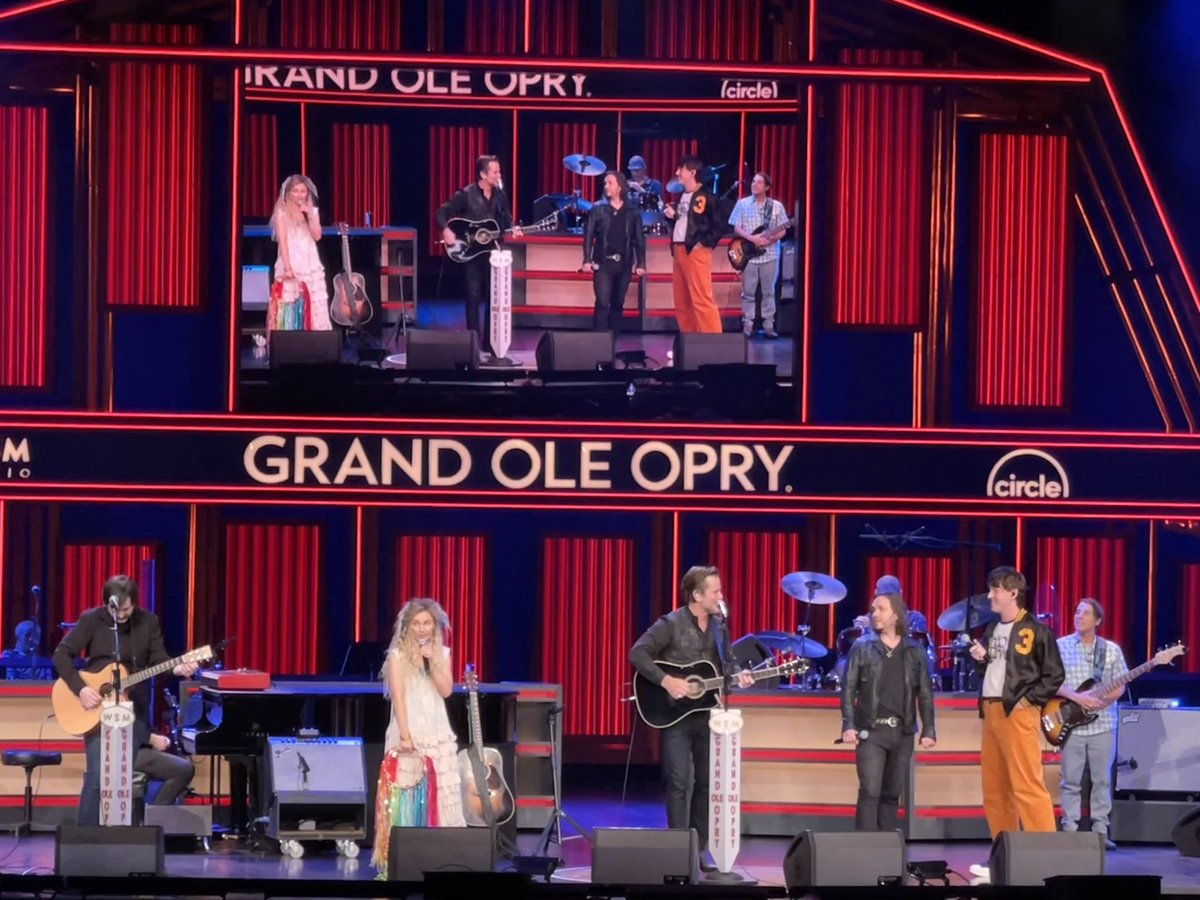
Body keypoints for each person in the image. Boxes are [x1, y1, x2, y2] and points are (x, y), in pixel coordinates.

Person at [629, 565, 754, 871]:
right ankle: (677, 851)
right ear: (697, 595)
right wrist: (666, 681)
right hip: (674, 714)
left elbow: (726, 669)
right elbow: (638, 653)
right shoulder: (670, 623)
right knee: (679, 781)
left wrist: (740, 676)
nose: (721, 596)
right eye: (716, 591)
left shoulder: (719, 627)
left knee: (705, 784)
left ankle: (697, 850)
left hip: (705, 713)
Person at [51, 575, 199, 825]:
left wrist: (177, 669)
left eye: (127, 609)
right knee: (97, 776)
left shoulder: (148, 622)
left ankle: (144, 831)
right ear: (106, 603)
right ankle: (83, 841)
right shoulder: (92, 619)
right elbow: (61, 655)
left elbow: (160, 660)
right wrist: (80, 689)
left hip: (135, 711)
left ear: (135, 603)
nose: (121, 615)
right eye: (116, 610)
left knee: (136, 768)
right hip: (98, 710)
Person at [967, 566, 1064, 884]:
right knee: (995, 789)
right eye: (990, 587)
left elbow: (1054, 675)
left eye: (996, 588)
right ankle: (1003, 853)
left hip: (1018, 713)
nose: (991, 594)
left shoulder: (1036, 630)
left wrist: (1029, 700)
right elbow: (994, 672)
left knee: (1027, 785)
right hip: (992, 711)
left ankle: (1045, 855)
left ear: (1013, 593)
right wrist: (980, 660)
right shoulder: (993, 628)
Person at [372, 598, 465, 872]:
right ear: (407, 626)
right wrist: (405, 736)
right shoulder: (397, 657)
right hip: (409, 733)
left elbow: (447, 691)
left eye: (427, 623)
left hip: (436, 730)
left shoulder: (443, 653)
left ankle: (444, 857)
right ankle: (404, 857)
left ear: (435, 626)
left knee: (442, 793)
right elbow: (398, 699)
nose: (422, 628)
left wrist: (431, 661)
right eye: (416, 623)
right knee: (408, 796)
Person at [841, 589, 936, 831]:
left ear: (896, 615)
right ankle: (865, 850)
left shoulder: (915, 651)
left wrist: (929, 729)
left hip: (902, 732)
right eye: (873, 609)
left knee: (892, 794)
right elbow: (849, 688)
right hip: (871, 730)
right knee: (870, 791)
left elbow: (924, 693)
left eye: (881, 609)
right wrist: (848, 724)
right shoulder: (862, 647)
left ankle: (887, 852)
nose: (875, 614)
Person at [1055, 598, 1127, 850]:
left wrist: (1101, 701)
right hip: (1071, 724)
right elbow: (1052, 682)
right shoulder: (1061, 646)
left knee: (1102, 780)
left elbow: (1120, 686)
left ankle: (1099, 830)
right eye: (1076, 612)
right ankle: (1070, 828)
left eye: (1085, 613)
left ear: (1097, 620)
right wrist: (1077, 698)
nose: (1079, 616)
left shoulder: (1111, 650)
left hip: (1104, 724)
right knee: (1070, 779)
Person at [436, 155, 522, 355]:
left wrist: (514, 227)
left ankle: (491, 343)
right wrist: (445, 230)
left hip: (492, 253)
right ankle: (473, 342)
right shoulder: (466, 194)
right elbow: (441, 212)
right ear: (483, 174)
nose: (499, 175)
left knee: (494, 297)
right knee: (473, 296)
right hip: (471, 253)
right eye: (495, 172)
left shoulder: (500, 195)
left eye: (499, 171)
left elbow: (507, 219)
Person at [662, 156, 724, 334]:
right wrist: (673, 216)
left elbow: (719, 223)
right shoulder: (683, 196)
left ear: (692, 172)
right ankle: (689, 339)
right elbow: (687, 222)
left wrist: (705, 243)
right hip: (679, 249)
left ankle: (712, 340)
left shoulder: (706, 196)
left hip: (695, 251)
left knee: (701, 298)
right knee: (682, 301)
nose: (677, 173)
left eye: (681, 169)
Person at [581, 171, 646, 333]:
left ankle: (613, 339)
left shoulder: (632, 211)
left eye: (610, 183)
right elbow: (588, 235)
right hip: (602, 263)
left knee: (618, 303)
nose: (606, 186)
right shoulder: (598, 209)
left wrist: (641, 262)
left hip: (624, 263)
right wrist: (586, 260)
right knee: (603, 302)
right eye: (605, 183)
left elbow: (639, 239)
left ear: (620, 186)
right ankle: (599, 338)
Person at [727, 172, 789, 338]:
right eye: (753, 181)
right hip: (749, 257)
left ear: (767, 187)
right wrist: (752, 238)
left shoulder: (776, 206)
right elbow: (736, 227)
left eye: (759, 182)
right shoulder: (742, 204)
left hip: (769, 255)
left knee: (768, 292)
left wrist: (770, 240)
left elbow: (782, 229)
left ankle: (769, 325)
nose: (755, 185)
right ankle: (747, 325)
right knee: (748, 292)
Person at [269, 174, 331, 332]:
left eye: (303, 191)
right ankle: (290, 342)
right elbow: (282, 241)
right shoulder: (282, 212)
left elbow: (317, 236)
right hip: (291, 263)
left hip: (310, 262)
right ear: (289, 192)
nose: (299, 195)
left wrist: (309, 215)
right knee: (291, 304)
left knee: (314, 302)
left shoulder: (312, 211)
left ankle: (316, 341)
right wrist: (287, 268)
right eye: (296, 191)